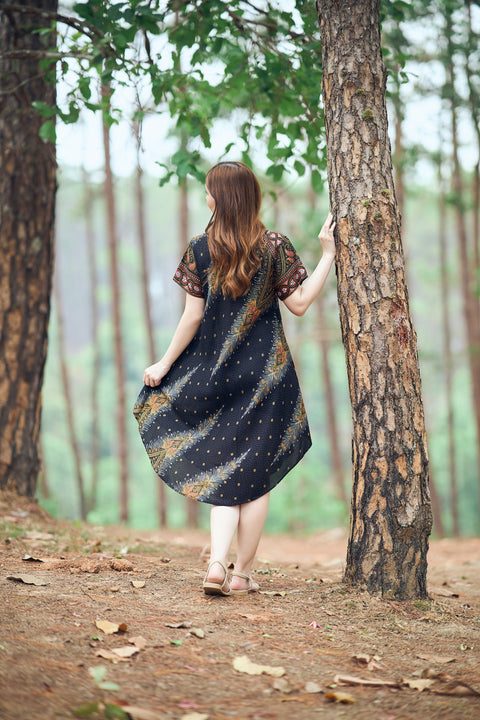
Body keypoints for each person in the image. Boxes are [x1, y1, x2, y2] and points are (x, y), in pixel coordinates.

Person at [133, 161, 336, 596]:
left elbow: (192, 317)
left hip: (217, 375)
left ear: (220, 198)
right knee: (254, 479)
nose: (206, 197)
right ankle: (241, 574)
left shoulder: (199, 249)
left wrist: (165, 364)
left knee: (224, 474)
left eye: (209, 191)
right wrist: (329, 256)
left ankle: (216, 566)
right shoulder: (274, 245)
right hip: (268, 378)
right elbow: (299, 303)